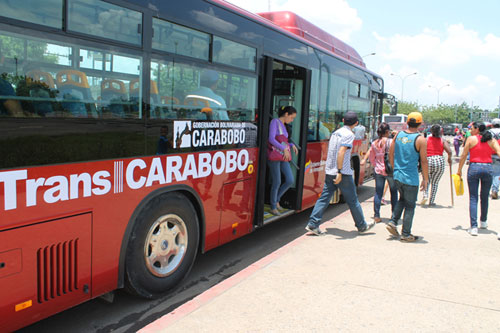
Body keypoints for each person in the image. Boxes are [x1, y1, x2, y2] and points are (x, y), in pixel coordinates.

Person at [305, 111, 375, 235]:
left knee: (324, 198)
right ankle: (362, 225)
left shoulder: (335, 133)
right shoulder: (349, 134)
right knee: (353, 200)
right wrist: (340, 171)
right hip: (342, 173)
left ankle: (313, 223)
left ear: (343, 120)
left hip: (330, 170)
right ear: (356, 123)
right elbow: (342, 151)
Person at [386, 112, 429, 242]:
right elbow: (424, 161)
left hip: (397, 176)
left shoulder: (398, 135)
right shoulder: (420, 139)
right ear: (420, 124)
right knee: (410, 205)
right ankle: (406, 234)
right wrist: (426, 179)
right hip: (410, 178)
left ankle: (393, 222)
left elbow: (391, 154)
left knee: (402, 199)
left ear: (407, 123)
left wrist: (395, 168)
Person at [457, 122, 500, 236]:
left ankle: (474, 226)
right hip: (488, 168)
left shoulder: (471, 139)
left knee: (473, 198)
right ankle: (484, 222)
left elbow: (464, 155)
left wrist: (459, 170)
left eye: (471, 128)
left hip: (474, 167)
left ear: (477, 129)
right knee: (485, 196)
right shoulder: (492, 140)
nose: (470, 130)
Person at [361, 122, 398, 223]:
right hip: (390, 171)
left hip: (378, 171)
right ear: (387, 131)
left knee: (378, 193)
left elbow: (372, 158)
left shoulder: (374, 143)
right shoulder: (391, 142)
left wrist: (377, 165)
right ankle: (394, 216)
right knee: (394, 193)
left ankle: (376, 215)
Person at [268, 106, 298, 215]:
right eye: (291, 117)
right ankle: (273, 206)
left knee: (290, 180)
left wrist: (290, 144)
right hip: (275, 155)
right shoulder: (274, 122)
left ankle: (276, 200)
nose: (292, 120)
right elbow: (271, 139)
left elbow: (282, 141)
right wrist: (284, 148)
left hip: (283, 155)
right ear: (286, 114)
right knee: (277, 181)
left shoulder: (284, 126)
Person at [420, 125, 452, 206]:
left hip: (428, 160)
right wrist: (449, 159)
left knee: (427, 179)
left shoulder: (426, 140)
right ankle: (432, 201)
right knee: (435, 182)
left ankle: (425, 195)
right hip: (439, 160)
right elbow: (449, 151)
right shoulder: (442, 140)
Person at [489, 118, 500, 199]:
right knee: (497, 173)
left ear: (492, 124)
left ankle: (487, 189)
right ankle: (495, 190)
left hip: (489, 154)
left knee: (489, 174)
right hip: (498, 155)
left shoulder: (488, 132)